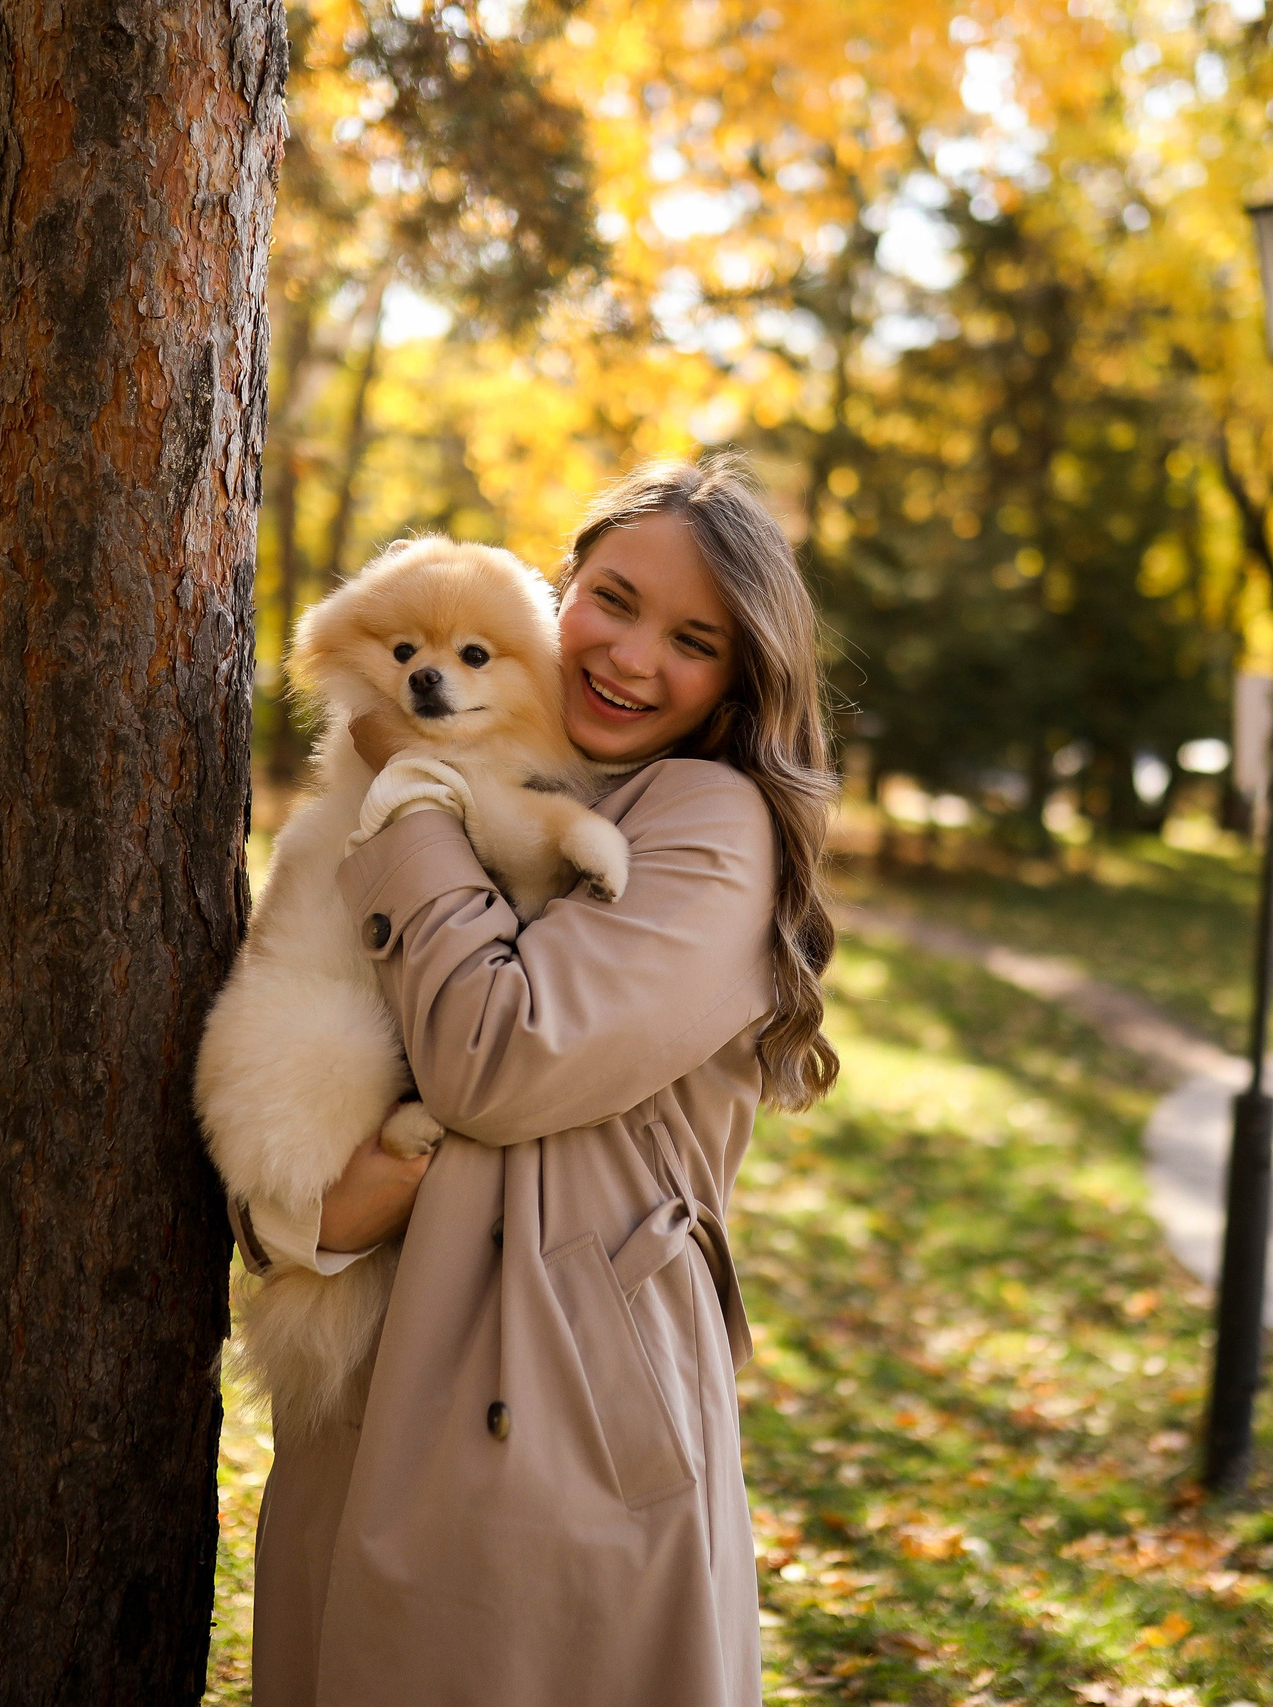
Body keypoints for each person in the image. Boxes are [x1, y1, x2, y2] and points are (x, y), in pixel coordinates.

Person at [246, 454, 840, 1706]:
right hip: (374, 1378)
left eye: (693, 642)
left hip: (558, 1417)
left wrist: (405, 786)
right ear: (556, 592)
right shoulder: (503, 752)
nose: (631, 657)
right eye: (611, 601)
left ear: (738, 681)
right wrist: (302, 1217)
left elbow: (496, 1061)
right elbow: (293, 1024)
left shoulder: (706, 824)